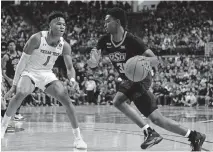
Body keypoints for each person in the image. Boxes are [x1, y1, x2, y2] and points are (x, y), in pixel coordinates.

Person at [87, 7, 206, 151]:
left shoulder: (132, 41)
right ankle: (194, 135)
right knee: (157, 119)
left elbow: (155, 60)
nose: (104, 24)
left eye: (107, 21)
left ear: (117, 22)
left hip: (141, 78)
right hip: (126, 79)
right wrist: (93, 63)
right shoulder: (104, 41)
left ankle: (149, 132)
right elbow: (94, 62)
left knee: (118, 100)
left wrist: (139, 61)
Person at [1, 11, 87, 149]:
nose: (62, 26)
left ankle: (78, 138)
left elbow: (70, 67)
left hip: (47, 74)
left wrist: (72, 79)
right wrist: (14, 85)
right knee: (21, 93)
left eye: (64, 24)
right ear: (50, 25)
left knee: (65, 97)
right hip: (30, 72)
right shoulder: (36, 38)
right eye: (58, 23)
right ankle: (3, 126)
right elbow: (22, 63)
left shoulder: (64, 45)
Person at [2, 40, 24, 121]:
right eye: (10, 45)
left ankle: (17, 114)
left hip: (19, 78)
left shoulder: (20, 54)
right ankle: (6, 114)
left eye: (13, 45)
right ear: (8, 47)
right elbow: (3, 71)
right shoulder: (6, 57)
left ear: (15, 46)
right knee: (9, 97)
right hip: (9, 79)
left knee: (20, 95)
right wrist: (8, 80)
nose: (12, 46)